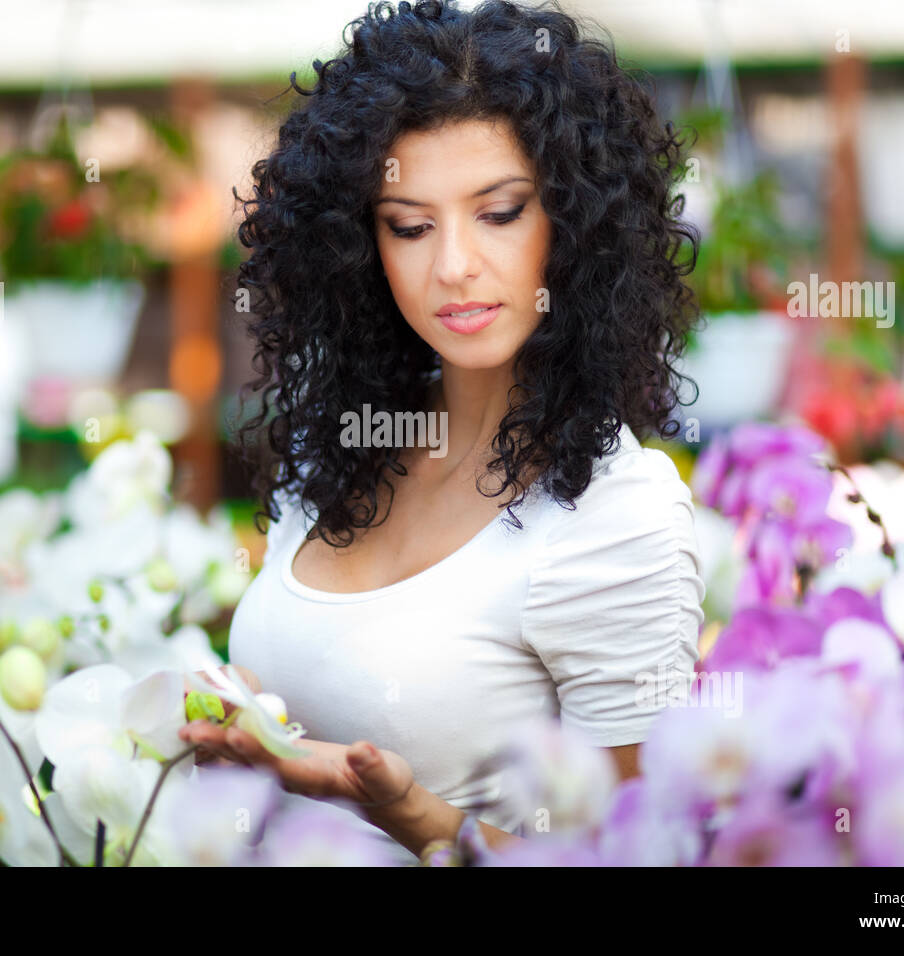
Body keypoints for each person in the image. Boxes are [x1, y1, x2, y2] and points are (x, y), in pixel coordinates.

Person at [179, 0, 706, 864]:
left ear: (575, 228)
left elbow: (636, 855)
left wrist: (414, 815)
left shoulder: (617, 518)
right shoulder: (339, 453)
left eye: (499, 213)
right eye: (410, 226)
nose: (453, 265)